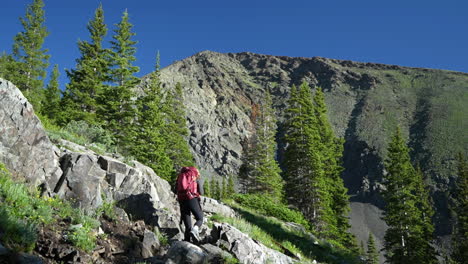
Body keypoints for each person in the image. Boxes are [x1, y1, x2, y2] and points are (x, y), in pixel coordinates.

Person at [176, 166, 204, 243]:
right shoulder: (195, 178)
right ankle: (195, 229)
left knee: (187, 224)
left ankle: (186, 241)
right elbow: (201, 192)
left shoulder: (181, 175)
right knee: (200, 218)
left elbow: (176, 189)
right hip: (191, 198)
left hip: (182, 200)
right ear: (196, 172)